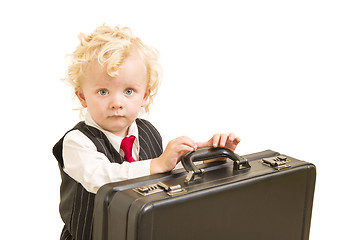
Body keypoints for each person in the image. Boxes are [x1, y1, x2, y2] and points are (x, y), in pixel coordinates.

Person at [53, 23, 240, 240]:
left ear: (145, 96)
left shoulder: (148, 132)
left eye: (129, 91)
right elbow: (103, 178)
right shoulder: (77, 142)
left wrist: (211, 157)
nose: (116, 102)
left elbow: (167, 172)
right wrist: (158, 163)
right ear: (82, 97)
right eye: (103, 91)